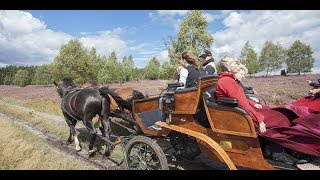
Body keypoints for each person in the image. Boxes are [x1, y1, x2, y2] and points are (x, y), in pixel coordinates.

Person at [215, 56, 320, 164]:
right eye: (234, 63)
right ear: (228, 66)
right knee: (279, 120)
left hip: (243, 111)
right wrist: (259, 119)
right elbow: (241, 104)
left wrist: (254, 103)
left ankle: (281, 147)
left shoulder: (228, 80)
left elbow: (241, 99)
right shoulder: (227, 81)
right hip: (239, 115)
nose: (237, 65)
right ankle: (277, 152)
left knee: (281, 113)